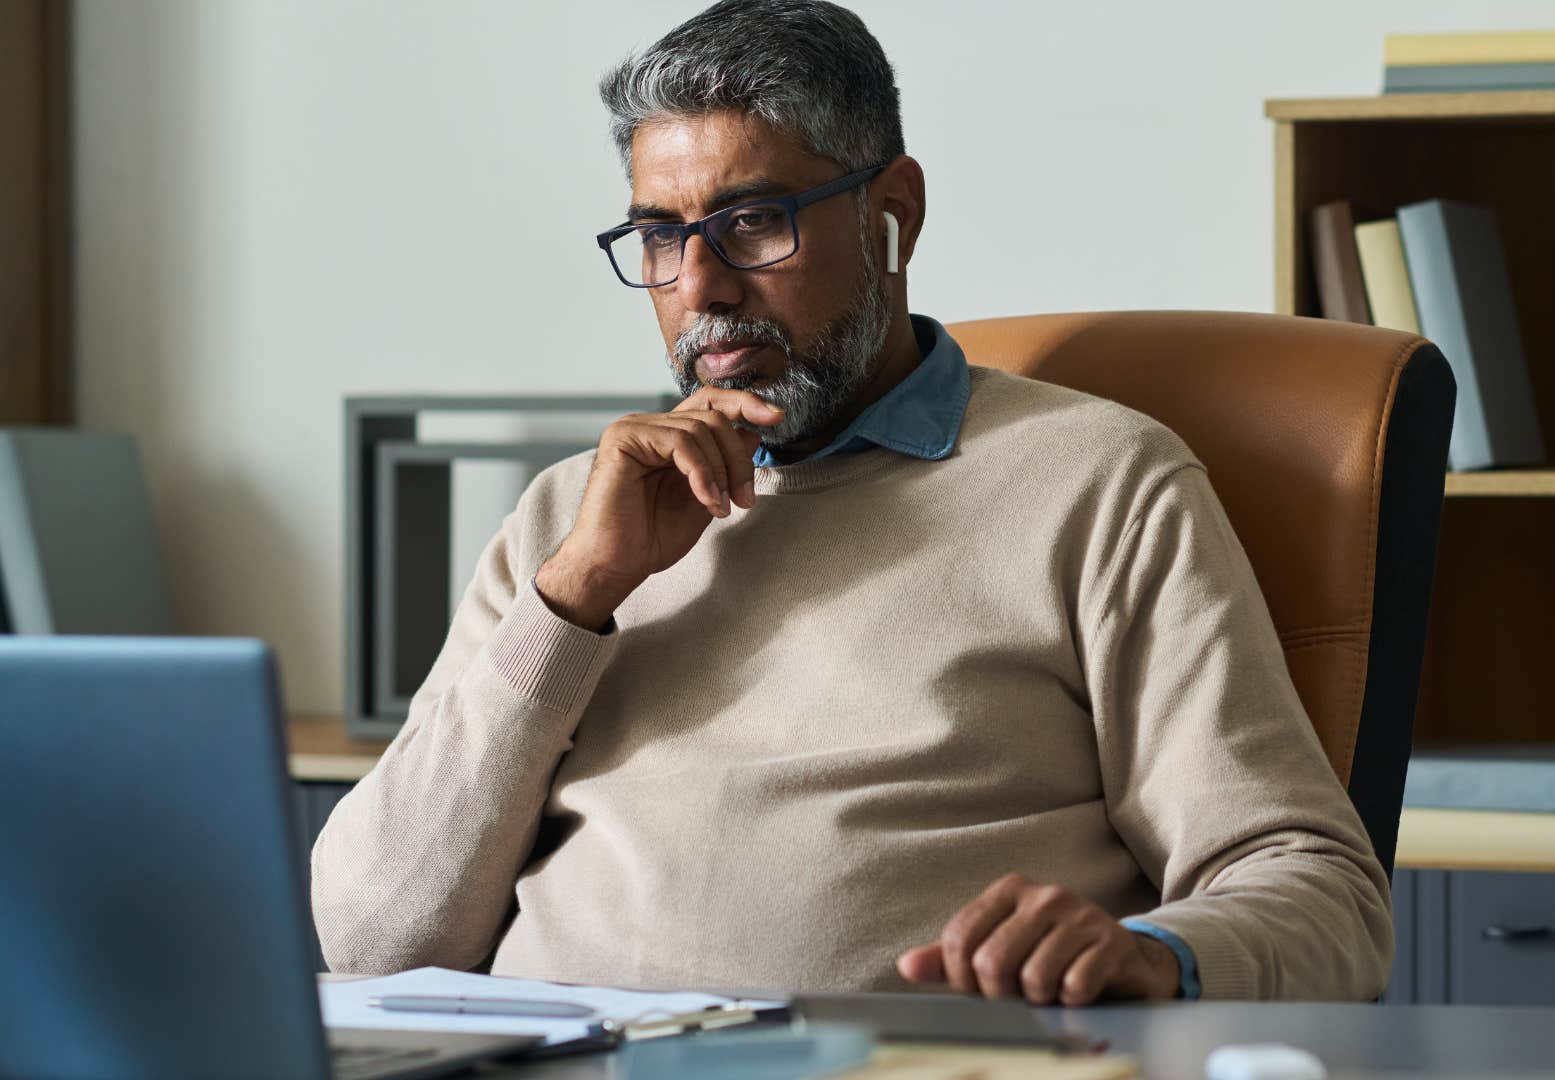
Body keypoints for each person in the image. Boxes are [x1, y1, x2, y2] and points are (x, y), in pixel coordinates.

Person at [312, 0, 1391, 1005]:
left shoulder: (1101, 486)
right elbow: (370, 945)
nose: (700, 287)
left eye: (752, 222)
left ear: (894, 214)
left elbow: (1321, 893)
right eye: (659, 235)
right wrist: (572, 602)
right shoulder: (573, 520)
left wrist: (1154, 953)